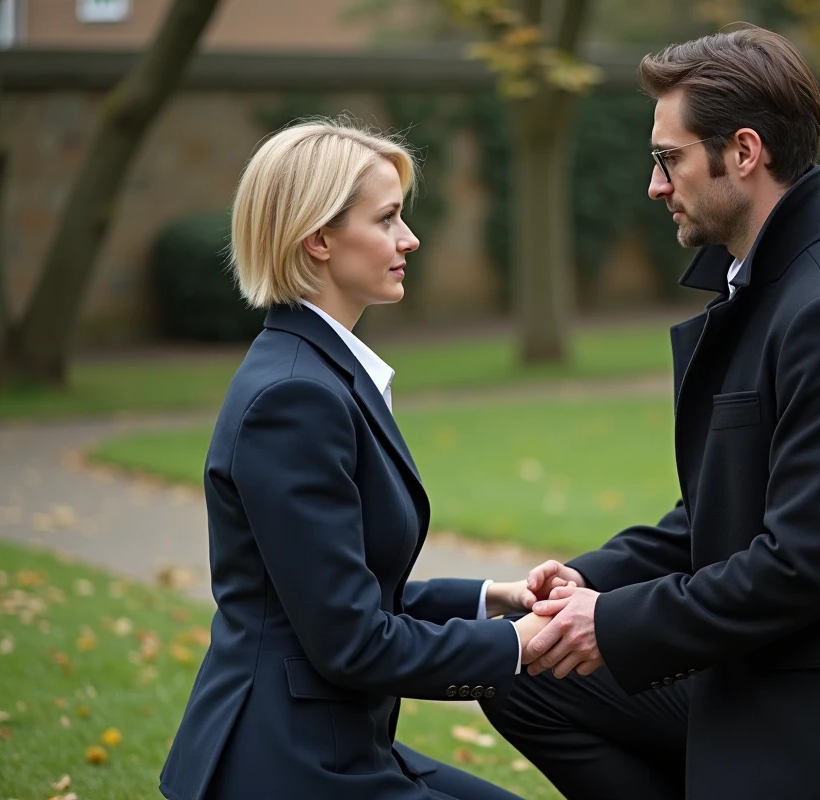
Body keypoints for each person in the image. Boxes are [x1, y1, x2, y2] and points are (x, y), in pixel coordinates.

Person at [481, 26, 820, 800]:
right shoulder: (763, 293)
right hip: (756, 679)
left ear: (743, 153)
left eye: (668, 159)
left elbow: (797, 566)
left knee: (551, 665)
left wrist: (610, 622)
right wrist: (582, 583)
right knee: (522, 677)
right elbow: (710, 518)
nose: (655, 184)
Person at [159, 118, 548, 800]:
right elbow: (353, 643)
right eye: (389, 218)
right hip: (287, 766)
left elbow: (346, 598)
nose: (410, 239)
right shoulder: (294, 398)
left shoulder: (320, 372)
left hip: (342, 746)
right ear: (318, 239)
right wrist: (524, 646)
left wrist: (494, 601)